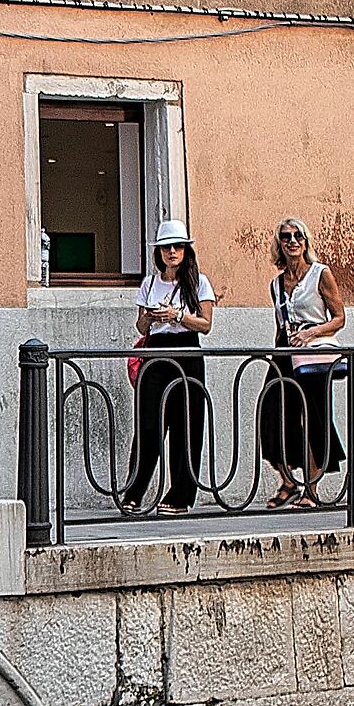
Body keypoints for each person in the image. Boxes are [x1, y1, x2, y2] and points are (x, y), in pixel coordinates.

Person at [119, 219, 216, 514]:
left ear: (186, 250)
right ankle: (134, 492)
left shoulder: (199, 282)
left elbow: (206, 324)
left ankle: (180, 495)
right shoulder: (149, 283)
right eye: (166, 247)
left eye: (177, 246)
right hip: (156, 353)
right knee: (148, 424)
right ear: (158, 252)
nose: (172, 252)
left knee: (186, 424)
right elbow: (140, 326)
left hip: (187, 352)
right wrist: (150, 317)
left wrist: (177, 316)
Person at [255, 217, 347, 507]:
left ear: (306, 241)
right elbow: (279, 325)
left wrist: (311, 333)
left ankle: (311, 489)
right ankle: (288, 481)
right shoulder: (276, 284)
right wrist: (275, 354)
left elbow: (339, 318)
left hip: (313, 354)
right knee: (270, 413)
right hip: (285, 353)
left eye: (298, 236)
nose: (292, 241)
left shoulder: (320, 274)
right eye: (286, 236)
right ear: (279, 244)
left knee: (312, 418)